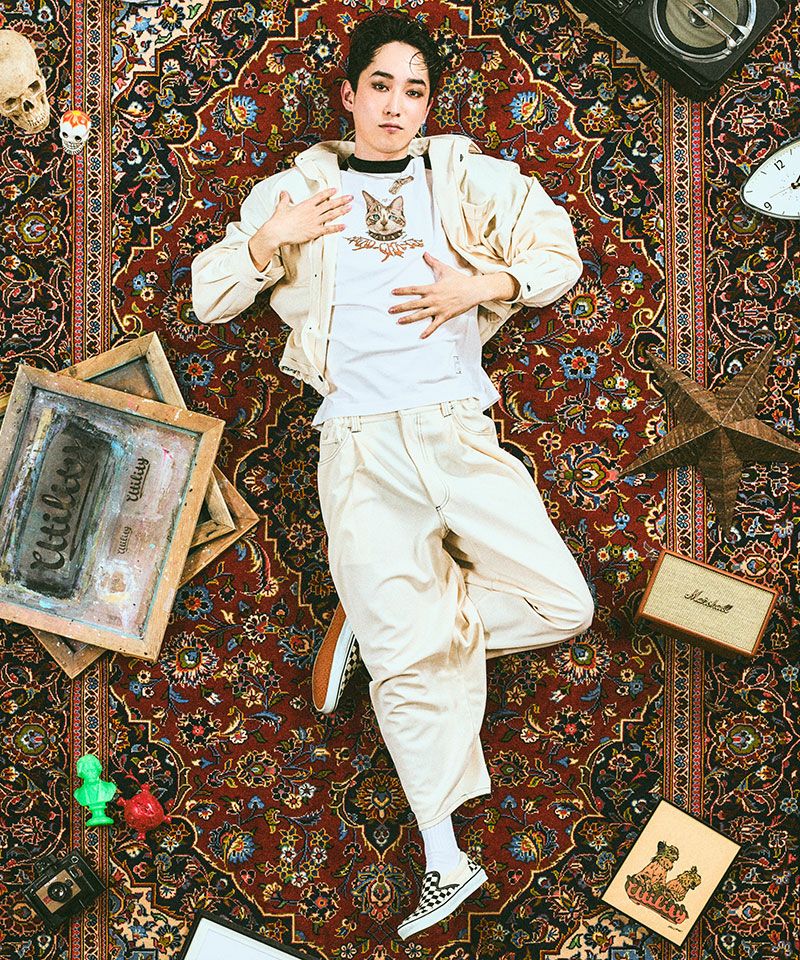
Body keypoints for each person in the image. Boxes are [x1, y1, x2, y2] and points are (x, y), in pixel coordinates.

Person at [192, 12, 594, 939]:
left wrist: (479, 286)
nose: (397, 106)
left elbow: (556, 255)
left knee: (564, 606)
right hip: (360, 444)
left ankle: (381, 636)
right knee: (412, 656)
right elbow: (210, 299)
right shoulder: (296, 191)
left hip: (457, 429)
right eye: (381, 86)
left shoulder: (465, 176)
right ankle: (445, 860)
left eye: (415, 91)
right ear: (348, 94)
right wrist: (270, 238)